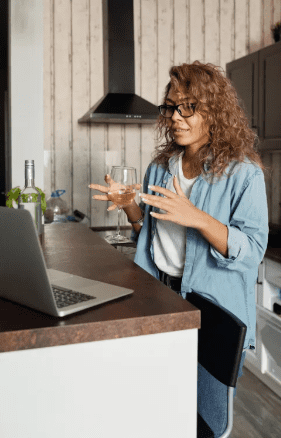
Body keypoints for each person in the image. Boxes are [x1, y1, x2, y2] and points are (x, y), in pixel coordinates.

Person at [89, 61, 269, 437]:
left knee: (206, 421)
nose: (176, 116)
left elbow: (251, 250)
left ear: (214, 112)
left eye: (189, 107)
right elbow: (150, 240)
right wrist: (129, 207)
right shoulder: (160, 169)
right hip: (161, 301)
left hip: (214, 312)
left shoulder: (242, 173)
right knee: (161, 408)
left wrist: (198, 218)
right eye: (171, 106)